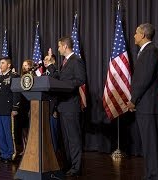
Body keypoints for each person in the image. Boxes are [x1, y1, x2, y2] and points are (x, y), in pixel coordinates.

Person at [127, 23, 158, 180]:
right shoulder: (145, 52)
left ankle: (154, 176)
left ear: (143, 35)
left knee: (151, 145)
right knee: (148, 145)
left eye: (136, 33)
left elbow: (144, 80)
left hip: (148, 105)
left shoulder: (150, 51)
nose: (134, 35)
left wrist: (133, 100)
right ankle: (151, 175)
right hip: (145, 105)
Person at [57, 36, 86, 177]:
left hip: (71, 106)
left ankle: (76, 167)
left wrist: (64, 85)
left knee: (73, 138)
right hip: (63, 106)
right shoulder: (64, 62)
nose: (58, 49)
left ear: (65, 46)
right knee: (66, 139)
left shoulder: (76, 61)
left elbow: (81, 79)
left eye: (59, 46)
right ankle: (68, 165)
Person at [0, 57, 20, 163]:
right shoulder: (0, 77)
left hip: (8, 109)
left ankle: (11, 154)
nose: (0, 65)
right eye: (0, 63)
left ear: (9, 65)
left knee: (9, 132)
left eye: (3, 63)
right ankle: (4, 153)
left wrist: (15, 107)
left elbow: (16, 93)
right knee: (0, 133)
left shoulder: (13, 76)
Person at [43, 48, 60, 152]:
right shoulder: (45, 74)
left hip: (53, 108)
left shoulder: (56, 72)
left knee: (53, 133)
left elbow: (57, 92)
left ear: (52, 61)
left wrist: (55, 109)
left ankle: (54, 152)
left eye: (47, 59)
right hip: (44, 108)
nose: (45, 61)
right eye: (44, 60)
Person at [19, 59, 34, 155]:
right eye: (23, 65)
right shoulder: (20, 78)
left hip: (30, 104)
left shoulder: (33, 77)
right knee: (23, 128)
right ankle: (24, 148)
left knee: (29, 128)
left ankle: (30, 148)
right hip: (22, 104)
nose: (25, 67)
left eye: (26, 65)